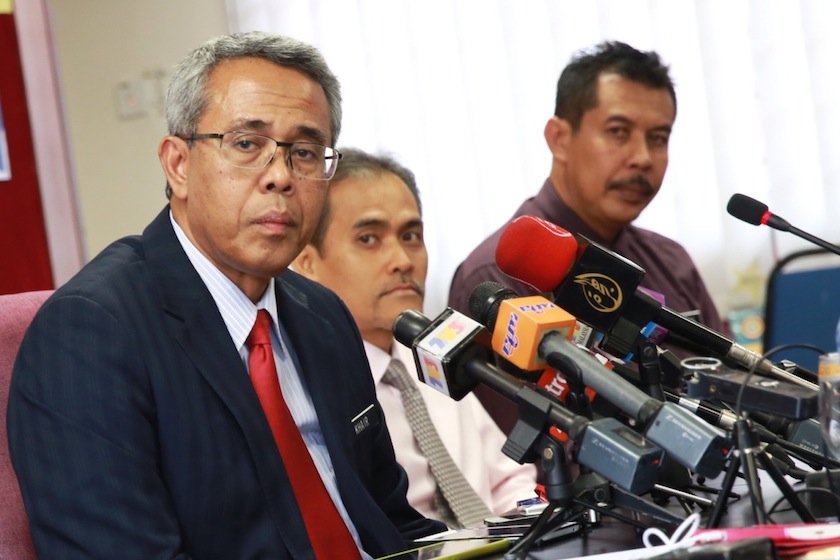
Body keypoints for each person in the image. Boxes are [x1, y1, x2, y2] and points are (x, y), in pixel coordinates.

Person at [7, 31, 445, 559]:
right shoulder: (90, 335)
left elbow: (391, 521)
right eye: (246, 144)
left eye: (305, 152)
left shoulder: (323, 315)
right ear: (178, 164)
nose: (280, 176)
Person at [448, 41, 726, 435]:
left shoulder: (671, 260)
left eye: (658, 138)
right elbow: (519, 450)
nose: (643, 157)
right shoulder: (498, 275)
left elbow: (734, 390)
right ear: (559, 138)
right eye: (618, 132)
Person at [292, 148, 538, 528]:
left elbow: (508, 480)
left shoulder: (437, 355)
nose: (403, 260)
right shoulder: (304, 388)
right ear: (307, 263)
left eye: (410, 236)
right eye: (369, 238)